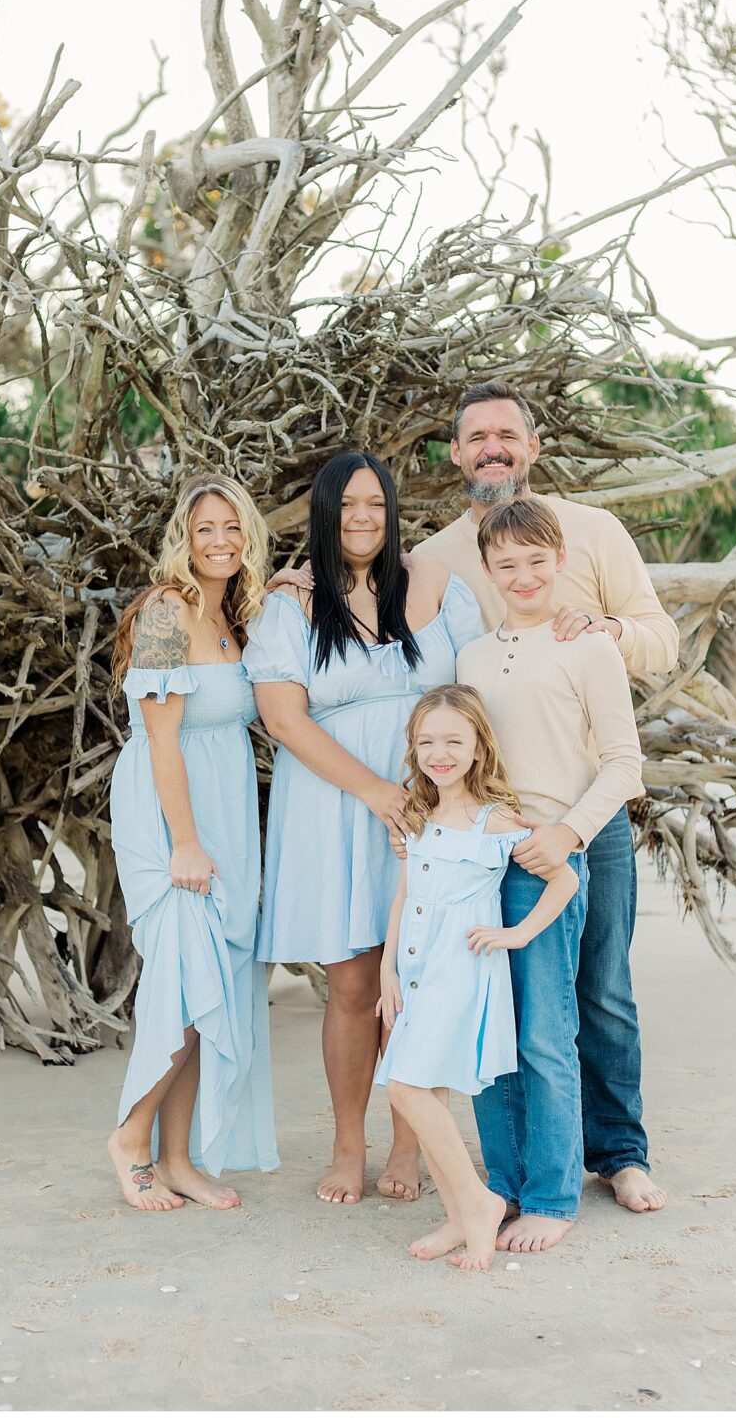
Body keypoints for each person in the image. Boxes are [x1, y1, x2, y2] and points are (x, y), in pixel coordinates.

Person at [412, 380, 674, 1217]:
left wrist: (602, 633)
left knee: (600, 989)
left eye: (507, 434)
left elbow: (657, 640)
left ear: (531, 446)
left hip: (582, 811)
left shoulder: (591, 533)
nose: (492, 447)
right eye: (475, 436)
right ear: (454, 454)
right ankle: (520, 1169)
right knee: (514, 1000)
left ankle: (620, 1153)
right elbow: (377, 607)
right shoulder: (433, 558)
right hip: (492, 828)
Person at [242, 452, 484, 1207]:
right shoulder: (292, 605)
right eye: (346, 506)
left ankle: (411, 1142)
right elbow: (283, 718)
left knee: (420, 977)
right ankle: (349, 1144)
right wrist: (380, 793)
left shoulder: (439, 587)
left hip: (430, 799)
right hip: (335, 806)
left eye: (374, 505)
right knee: (351, 985)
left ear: (392, 511)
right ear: (323, 512)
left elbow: (473, 696)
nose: (361, 519)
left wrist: (436, 798)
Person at [456, 496, 644, 1251]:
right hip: (482, 858)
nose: (524, 574)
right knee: (490, 1035)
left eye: (538, 560)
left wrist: (564, 833)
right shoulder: (470, 655)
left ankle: (557, 1194)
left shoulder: (587, 646)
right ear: (488, 570)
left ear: (560, 561)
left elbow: (624, 763)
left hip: (553, 856)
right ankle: (502, 1184)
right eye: (508, 564)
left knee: (550, 1027)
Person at [107, 474, 279, 1212]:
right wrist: (184, 842)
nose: (220, 542)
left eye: (233, 528)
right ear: (184, 536)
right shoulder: (166, 612)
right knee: (183, 980)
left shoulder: (235, 616)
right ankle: (130, 1137)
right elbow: (160, 741)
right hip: (171, 811)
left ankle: (179, 1158)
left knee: (213, 984)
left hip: (227, 809)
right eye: (206, 528)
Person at [376, 684, 577, 1270]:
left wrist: (517, 935)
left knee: (406, 1087)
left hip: (458, 967)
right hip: (414, 967)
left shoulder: (499, 821)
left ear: (478, 747)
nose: (440, 752)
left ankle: (479, 1202)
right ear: (413, 750)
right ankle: (461, 1218)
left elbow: (564, 879)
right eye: (426, 742)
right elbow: (405, 894)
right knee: (426, 1088)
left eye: (454, 741)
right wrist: (388, 965)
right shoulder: (416, 815)